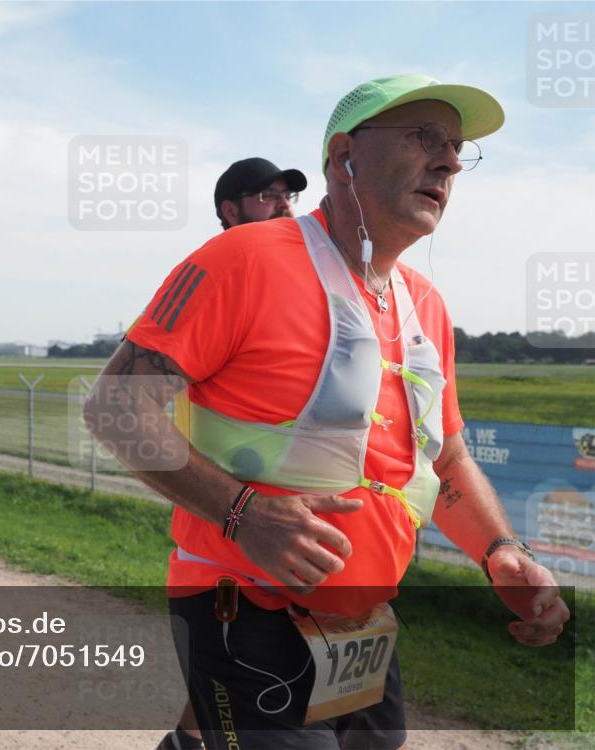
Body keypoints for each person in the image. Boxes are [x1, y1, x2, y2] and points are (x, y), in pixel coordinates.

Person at [86, 74, 570, 749]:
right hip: (240, 606)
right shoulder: (244, 259)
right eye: (425, 137)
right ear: (345, 157)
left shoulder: (425, 304)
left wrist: (499, 553)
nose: (450, 161)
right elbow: (115, 406)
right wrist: (243, 513)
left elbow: (445, 459)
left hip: (362, 624)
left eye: (457, 148)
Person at [160, 156, 308, 750]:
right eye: (268, 195)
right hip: (229, 555)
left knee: (220, 707)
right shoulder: (217, 273)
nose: (285, 205)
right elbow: (121, 408)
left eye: (289, 196)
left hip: (315, 562)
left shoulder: (303, 284)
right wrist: (240, 510)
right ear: (230, 210)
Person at [213, 157, 308, 229]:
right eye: (269, 195)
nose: (285, 204)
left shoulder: (313, 253)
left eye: (287, 195)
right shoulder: (216, 255)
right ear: (231, 212)